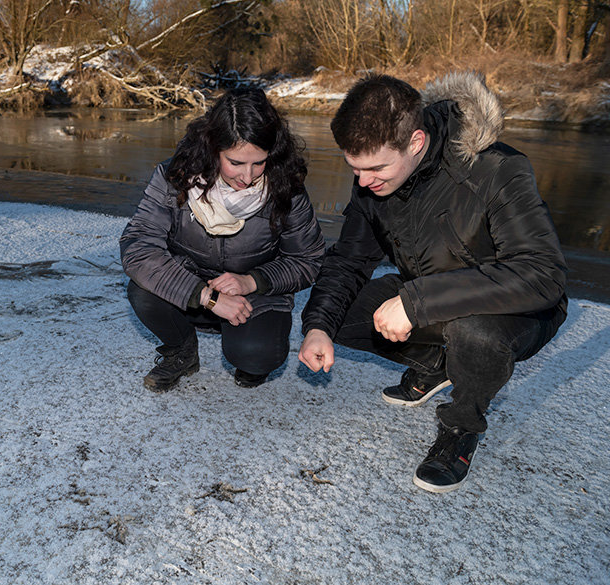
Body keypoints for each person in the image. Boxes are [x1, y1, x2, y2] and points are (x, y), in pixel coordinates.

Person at [297, 72, 567, 493]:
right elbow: (348, 262)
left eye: (376, 169)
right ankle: (438, 363)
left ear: (416, 142)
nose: (364, 182)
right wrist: (317, 327)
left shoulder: (497, 169)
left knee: (473, 332)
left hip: (516, 308)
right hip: (432, 293)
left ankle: (462, 427)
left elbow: (542, 274)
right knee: (340, 312)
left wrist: (417, 301)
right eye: (354, 169)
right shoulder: (374, 183)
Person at [120, 87, 324, 392]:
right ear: (213, 148)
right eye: (236, 162)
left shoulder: (286, 187)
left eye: (259, 162)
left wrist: (251, 281)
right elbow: (138, 247)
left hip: (254, 295)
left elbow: (308, 259)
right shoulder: (174, 176)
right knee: (142, 291)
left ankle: (251, 353)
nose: (248, 176)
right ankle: (182, 350)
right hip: (191, 290)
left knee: (257, 356)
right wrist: (206, 296)